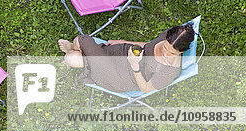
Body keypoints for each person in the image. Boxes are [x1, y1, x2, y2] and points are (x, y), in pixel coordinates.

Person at [58, 23, 195, 93]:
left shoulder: (169, 71)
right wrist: (121, 41)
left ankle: (73, 50)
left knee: (75, 53)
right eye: (164, 47)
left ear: (181, 51)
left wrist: (135, 67)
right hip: (123, 53)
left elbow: (146, 88)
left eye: (170, 53)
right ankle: (74, 48)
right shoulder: (168, 36)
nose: (165, 53)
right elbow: (148, 45)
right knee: (78, 45)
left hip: (121, 76)